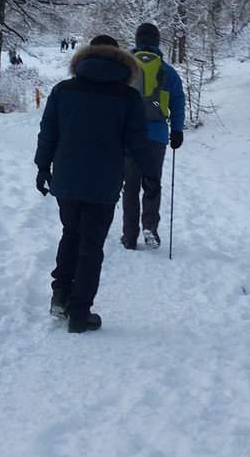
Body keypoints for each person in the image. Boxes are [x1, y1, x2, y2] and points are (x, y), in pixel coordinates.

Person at [35, 34, 161, 333]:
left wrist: (42, 167)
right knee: (91, 247)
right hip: (103, 182)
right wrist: (150, 174)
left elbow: (48, 132)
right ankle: (80, 313)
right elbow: (137, 141)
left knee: (70, 234)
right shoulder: (127, 97)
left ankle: (60, 293)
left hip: (66, 178)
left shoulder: (63, 90)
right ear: (120, 61)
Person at [121, 22, 186, 250]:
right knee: (152, 182)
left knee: (130, 185)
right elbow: (178, 100)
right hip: (157, 135)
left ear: (137, 40)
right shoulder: (168, 71)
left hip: (129, 135)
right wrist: (177, 130)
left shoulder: (125, 67)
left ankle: (129, 235)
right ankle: (150, 225)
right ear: (157, 42)